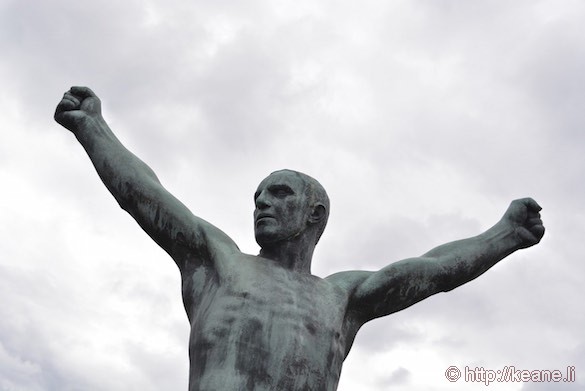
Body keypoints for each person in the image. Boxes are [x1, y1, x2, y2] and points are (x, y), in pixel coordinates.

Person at [54, 86, 545, 391]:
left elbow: (434, 270)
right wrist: (93, 128)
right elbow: (148, 196)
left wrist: (504, 235)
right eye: (257, 195)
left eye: (278, 193)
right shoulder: (220, 262)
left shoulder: (341, 297)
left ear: (315, 214)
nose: (261, 202)